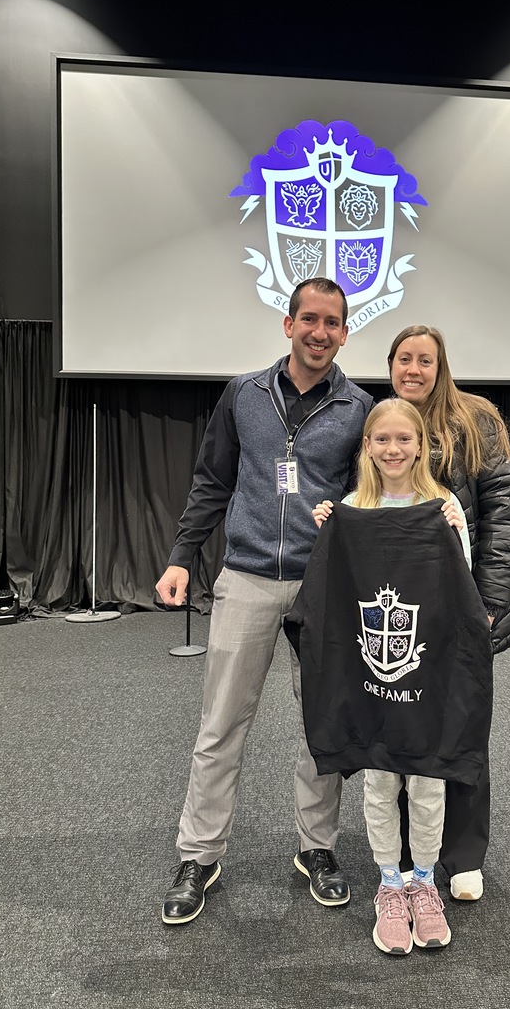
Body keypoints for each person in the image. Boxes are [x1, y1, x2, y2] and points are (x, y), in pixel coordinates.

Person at [156, 277, 373, 925]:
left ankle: (318, 848)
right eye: (309, 319)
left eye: (332, 322)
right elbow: (211, 480)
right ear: (288, 325)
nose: (319, 332)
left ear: (343, 331)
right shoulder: (242, 394)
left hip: (322, 583)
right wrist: (179, 557)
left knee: (321, 727)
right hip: (247, 574)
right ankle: (200, 855)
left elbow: (367, 494)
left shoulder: (359, 406)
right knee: (221, 726)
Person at [312, 398, 473, 955]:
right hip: (371, 678)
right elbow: (336, 590)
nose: (394, 449)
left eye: (405, 439)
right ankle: (388, 883)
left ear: (421, 445)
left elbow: (462, 588)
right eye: (382, 439)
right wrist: (330, 531)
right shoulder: (354, 504)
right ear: (367, 447)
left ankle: (424, 884)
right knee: (380, 780)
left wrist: (457, 531)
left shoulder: (442, 502)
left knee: (428, 780)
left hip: (428, 679)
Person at [388, 325, 510, 902]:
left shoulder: (477, 421)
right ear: (391, 364)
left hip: (467, 608)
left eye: (425, 360)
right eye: (404, 359)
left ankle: (463, 854)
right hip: (403, 611)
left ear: (441, 365)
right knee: (399, 728)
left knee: (463, 727)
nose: (414, 369)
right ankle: (402, 851)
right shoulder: (384, 421)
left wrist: (488, 605)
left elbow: (505, 517)